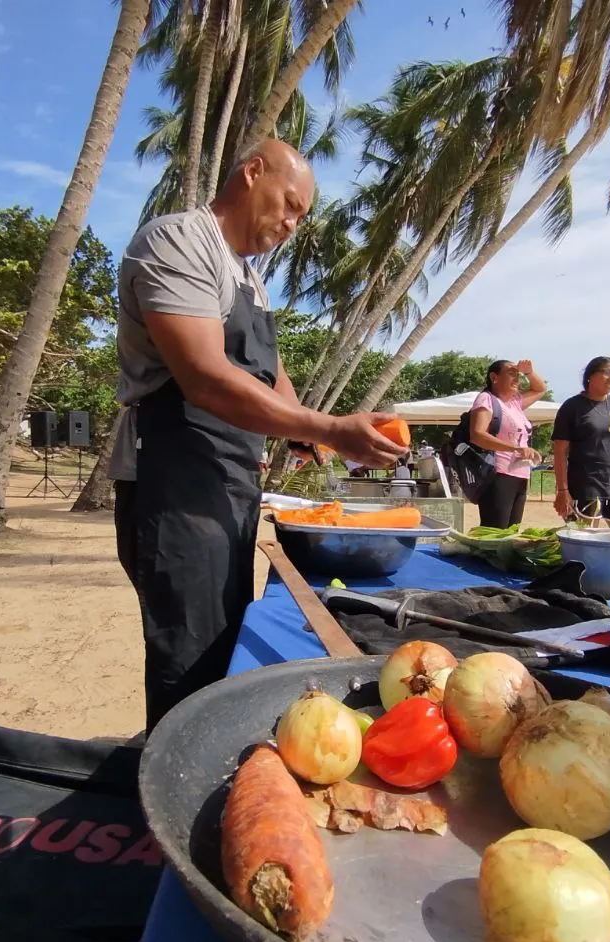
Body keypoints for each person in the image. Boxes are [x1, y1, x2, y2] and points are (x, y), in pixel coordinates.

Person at [109, 139, 407, 732]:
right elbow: (205, 377)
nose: (294, 224)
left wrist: (308, 434)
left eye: (302, 216)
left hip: (229, 477)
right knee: (188, 653)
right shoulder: (179, 241)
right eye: (290, 204)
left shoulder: (248, 277)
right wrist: (327, 428)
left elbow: (267, 372)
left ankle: (204, 755)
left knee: (223, 637)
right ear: (252, 173)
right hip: (175, 475)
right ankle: (173, 780)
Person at [552, 356, 610, 524]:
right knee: (587, 540)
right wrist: (562, 490)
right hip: (584, 485)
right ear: (590, 376)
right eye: (607, 373)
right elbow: (560, 452)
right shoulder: (572, 407)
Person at [466, 359, 549, 528]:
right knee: (495, 531)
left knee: (511, 531)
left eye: (518, 375)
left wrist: (529, 373)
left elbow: (540, 389)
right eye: (511, 374)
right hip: (498, 473)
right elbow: (477, 435)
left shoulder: (515, 403)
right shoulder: (486, 399)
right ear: (494, 377)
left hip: (520, 474)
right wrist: (516, 448)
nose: (517, 379)